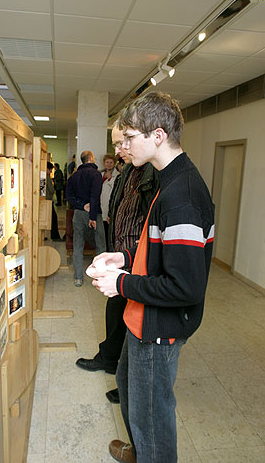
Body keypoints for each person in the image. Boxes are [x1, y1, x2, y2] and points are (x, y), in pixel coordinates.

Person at [91, 92, 215, 463]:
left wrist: (121, 283)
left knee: (152, 417)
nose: (124, 147)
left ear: (157, 136)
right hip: (141, 318)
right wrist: (124, 257)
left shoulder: (183, 196)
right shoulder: (167, 181)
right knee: (130, 390)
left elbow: (185, 286)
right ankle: (141, 452)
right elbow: (161, 251)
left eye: (129, 138)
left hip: (158, 324)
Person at [76, 124, 159, 405]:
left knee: (130, 316)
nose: (118, 151)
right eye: (116, 146)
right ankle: (110, 360)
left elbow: (151, 220)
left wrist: (134, 255)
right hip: (123, 252)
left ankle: (124, 378)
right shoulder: (129, 171)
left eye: (122, 144)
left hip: (137, 256)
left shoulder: (152, 172)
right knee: (115, 309)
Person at [66, 150, 106, 287]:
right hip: (95, 214)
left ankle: (78, 278)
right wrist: (92, 216)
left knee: (78, 245)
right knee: (100, 245)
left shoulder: (73, 176)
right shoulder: (96, 175)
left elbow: (69, 197)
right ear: (91, 158)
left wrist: (83, 206)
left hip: (78, 214)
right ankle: (101, 278)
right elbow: (95, 196)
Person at [100, 153, 119, 248]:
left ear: (114, 163)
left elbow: (116, 189)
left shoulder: (117, 176)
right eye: (107, 162)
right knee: (101, 233)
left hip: (110, 207)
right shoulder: (100, 174)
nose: (109, 164)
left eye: (111, 162)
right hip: (101, 206)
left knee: (109, 233)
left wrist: (110, 179)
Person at [46, 162, 64, 242]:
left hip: (44, 201)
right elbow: (51, 189)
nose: (50, 172)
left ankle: (45, 236)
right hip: (48, 201)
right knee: (53, 218)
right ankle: (55, 236)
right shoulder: (46, 177)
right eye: (50, 170)